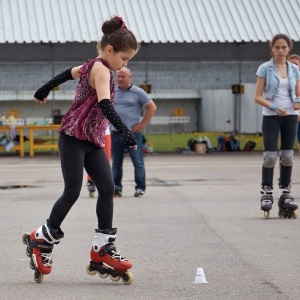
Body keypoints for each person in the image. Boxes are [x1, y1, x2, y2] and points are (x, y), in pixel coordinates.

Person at [22, 16, 139, 284]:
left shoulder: (90, 65)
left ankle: (102, 247)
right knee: (72, 190)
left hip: (91, 140)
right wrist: (124, 131)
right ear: (110, 50)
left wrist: (44, 88)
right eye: (124, 58)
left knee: (107, 188)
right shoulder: (100, 69)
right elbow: (106, 104)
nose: (124, 65)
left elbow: (68, 73)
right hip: (73, 138)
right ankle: (40, 238)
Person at [254, 34, 300, 219]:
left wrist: (297, 102)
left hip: (290, 116)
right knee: (270, 156)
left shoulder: (295, 69)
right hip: (272, 116)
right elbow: (257, 96)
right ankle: (266, 193)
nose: (280, 51)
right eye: (277, 47)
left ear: (289, 48)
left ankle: (285, 193)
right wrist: (274, 107)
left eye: (284, 47)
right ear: (272, 48)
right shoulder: (265, 68)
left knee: (288, 155)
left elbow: (298, 93)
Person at [110, 67, 157, 197]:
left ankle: (140, 187)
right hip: (116, 133)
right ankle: (116, 188)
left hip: (132, 134)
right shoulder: (112, 91)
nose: (120, 79)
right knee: (116, 163)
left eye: (122, 76)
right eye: (118, 76)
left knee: (138, 162)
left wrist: (142, 124)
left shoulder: (138, 92)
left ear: (129, 77)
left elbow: (152, 108)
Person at [86, 127, 111, 197]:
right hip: (91, 133)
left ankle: (106, 180)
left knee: (107, 157)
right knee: (91, 157)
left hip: (105, 132)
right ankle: (90, 181)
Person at [288, 54, 300, 154]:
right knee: (286, 147)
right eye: (291, 64)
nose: (293, 66)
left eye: (296, 64)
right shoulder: (283, 79)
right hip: (288, 115)